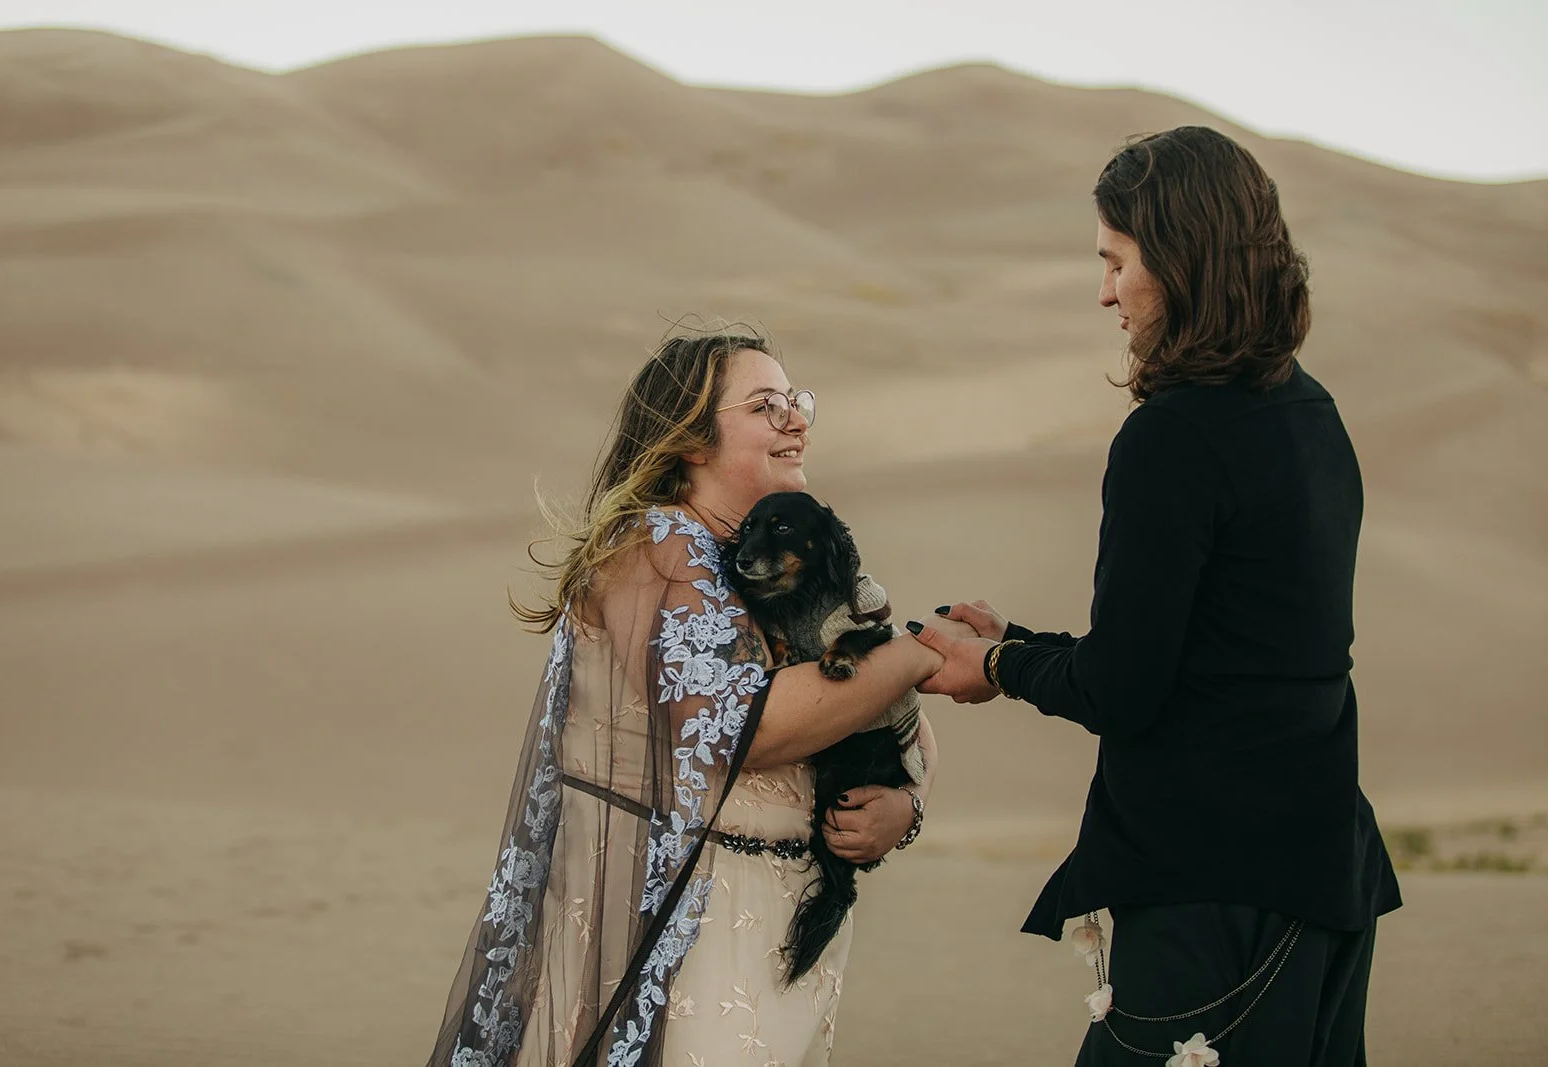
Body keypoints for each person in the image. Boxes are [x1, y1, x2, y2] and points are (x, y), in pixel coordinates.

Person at [911, 127, 1401, 1066]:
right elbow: (1213, 655)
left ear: (1181, 260)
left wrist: (998, 666)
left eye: (1116, 261)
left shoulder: (1172, 437)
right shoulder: (1310, 412)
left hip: (1214, 886)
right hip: (1324, 868)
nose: (1106, 291)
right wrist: (1019, 643)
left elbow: (1126, 688)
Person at [427, 330, 945, 1067]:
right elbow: (744, 729)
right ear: (692, 440)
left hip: (784, 926)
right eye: (766, 406)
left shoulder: (775, 566)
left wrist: (906, 807)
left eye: (797, 402)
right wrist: (922, 654)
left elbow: (899, 725)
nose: (796, 421)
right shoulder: (657, 550)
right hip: (694, 931)